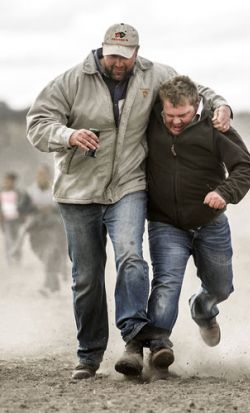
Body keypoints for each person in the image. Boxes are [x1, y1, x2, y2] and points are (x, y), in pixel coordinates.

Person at [25, 23, 232, 380]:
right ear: (102, 50)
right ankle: (88, 356)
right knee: (86, 277)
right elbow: (37, 123)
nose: (117, 62)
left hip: (128, 186)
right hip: (77, 191)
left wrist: (222, 104)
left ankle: (135, 338)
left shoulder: (155, 75)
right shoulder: (71, 81)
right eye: (112, 55)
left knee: (131, 257)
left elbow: (195, 91)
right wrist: (69, 135)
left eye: (125, 56)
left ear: (136, 52)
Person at [143, 75, 250, 375]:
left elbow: (245, 167)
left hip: (210, 223)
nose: (176, 122)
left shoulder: (214, 127)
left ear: (197, 107)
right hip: (165, 223)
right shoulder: (150, 123)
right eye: (170, 115)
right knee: (167, 282)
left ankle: (202, 307)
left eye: (183, 116)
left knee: (221, 285)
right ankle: (159, 345)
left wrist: (224, 192)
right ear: (161, 109)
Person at [19, 164, 69, 294]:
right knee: (45, 256)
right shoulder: (30, 192)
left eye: (44, 174)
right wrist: (36, 208)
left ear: (49, 176)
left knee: (50, 253)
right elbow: (21, 209)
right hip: (36, 231)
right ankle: (54, 283)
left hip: (53, 229)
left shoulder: (56, 190)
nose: (41, 177)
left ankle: (48, 285)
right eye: (39, 174)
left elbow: (66, 209)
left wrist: (52, 209)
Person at [0, 172, 30, 265]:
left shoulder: (19, 193)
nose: (7, 183)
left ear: (13, 182)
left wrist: (23, 214)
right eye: (6, 181)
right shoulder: (1, 192)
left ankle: (17, 258)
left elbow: (25, 204)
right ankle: (9, 260)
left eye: (10, 181)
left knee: (17, 240)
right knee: (8, 240)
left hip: (17, 219)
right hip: (6, 220)